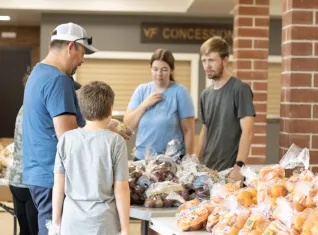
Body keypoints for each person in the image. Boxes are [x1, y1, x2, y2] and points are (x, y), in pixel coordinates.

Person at [21, 22, 99, 235]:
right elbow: (68, 138)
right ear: (71, 47)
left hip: (38, 174)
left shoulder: (38, 73)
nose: (82, 60)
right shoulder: (59, 79)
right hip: (53, 177)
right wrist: (102, 134)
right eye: (82, 53)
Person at [51, 81, 130, 235]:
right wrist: (125, 228)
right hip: (103, 223)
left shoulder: (66, 140)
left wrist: (55, 223)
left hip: (71, 221)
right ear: (111, 110)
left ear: (81, 109)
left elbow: (58, 187)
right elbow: (121, 188)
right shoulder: (115, 141)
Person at [197, 36, 255, 181]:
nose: (207, 65)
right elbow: (205, 130)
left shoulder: (240, 89)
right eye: (204, 60)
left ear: (225, 60)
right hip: (207, 170)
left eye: (211, 60)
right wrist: (197, 163)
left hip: (230, 171)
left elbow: (248, 131)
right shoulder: (205, 95)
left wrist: (238, 167)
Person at [124, 49, 195, 160]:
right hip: (142, 159)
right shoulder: (142, 90)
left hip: (172, 160)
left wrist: (189, 160)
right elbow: (128, 124)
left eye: (164, 69)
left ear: (172, 70)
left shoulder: (180, 93)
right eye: (155, 69)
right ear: (150, 68)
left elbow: (188, 131)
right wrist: (144, 104)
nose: (159, 74)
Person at [8, 73, 38, 235]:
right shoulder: (36, 110)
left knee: (25, 230)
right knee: (33, 230)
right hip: (30, 181)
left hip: (17, 178)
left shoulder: (24, 107)